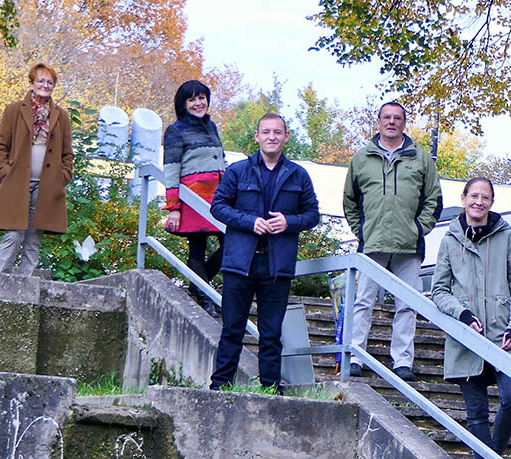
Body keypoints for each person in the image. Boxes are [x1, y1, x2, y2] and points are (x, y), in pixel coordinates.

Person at [209, 113, 320, 391]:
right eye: (266, 132)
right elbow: (218, 206)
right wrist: (249, 222)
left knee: (271, 334)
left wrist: (288, 222)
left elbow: (312, 214)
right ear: (257, 136)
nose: (272, 137)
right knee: (232, 329)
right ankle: (220, 385)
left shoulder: (298, 174)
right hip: (239, 263)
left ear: (285, 137)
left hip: (276, 265)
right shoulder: (237, 171)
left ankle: (270, 387)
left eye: (277, 132)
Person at [431, 178, 511, 459]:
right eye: (474, 195)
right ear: (463, 198)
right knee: (476, 415)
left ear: (491, 202)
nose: (479, 202)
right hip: (466, 338)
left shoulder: (506, 236)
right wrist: (461, 313)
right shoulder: (449, 239)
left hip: (503, 334)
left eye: (485, 197)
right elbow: (439, 290)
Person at [343, 101, 442, 381]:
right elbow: (349, 200)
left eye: (397, 118)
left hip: (408, 247)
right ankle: (355, 357)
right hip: (372, 244)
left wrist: (417, 229)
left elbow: (433, 201)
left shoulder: (421, 159)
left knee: (407, 305)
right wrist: (360, 231)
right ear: (378, 122)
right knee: (362, 301)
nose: (391, 122)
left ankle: (402, 362)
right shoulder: (361, 158)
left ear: (404, 123)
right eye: (386, 117)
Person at [0, 62, 74, 276]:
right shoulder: (14, 110)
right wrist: (6, 173)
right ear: (31, 82)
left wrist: (62, 177)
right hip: (17, 182)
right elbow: (0, 146)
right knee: (14, 234)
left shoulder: (61, 116)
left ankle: (25, 281)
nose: (45, 85)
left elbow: (67, 153)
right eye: (41, 81)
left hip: (46, 186)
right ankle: (0, 278)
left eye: (50, 82)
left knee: (34, 237)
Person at [162, 79, 228, 315]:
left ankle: (200, 286)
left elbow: (221, 159)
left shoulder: (212, 126)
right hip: (193, 198)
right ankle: (206, 297)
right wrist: (174, 207)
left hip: (218, 198)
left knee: (231, 245)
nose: (198, 103)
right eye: (192, 99)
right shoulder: (175, 131)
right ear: (183, 103)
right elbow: (170, 169)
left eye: (201, 98)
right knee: (197, 249)